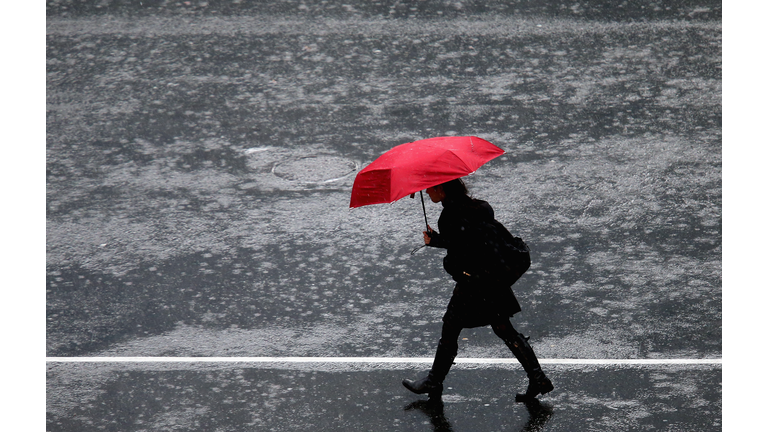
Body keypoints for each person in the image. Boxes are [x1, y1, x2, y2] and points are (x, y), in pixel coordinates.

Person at [402, 178, 554, 401]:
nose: (427, 190)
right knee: (504, 328)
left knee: (450, 328)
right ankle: (538, 378)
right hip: (493, 278)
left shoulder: (449, 217)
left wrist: (447, 260)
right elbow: (470, 239)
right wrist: (438, 240)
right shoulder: (477, 207)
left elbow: (460, 253)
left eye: (430, 186)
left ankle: (434, 381)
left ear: (441, 188)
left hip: (474, 284)